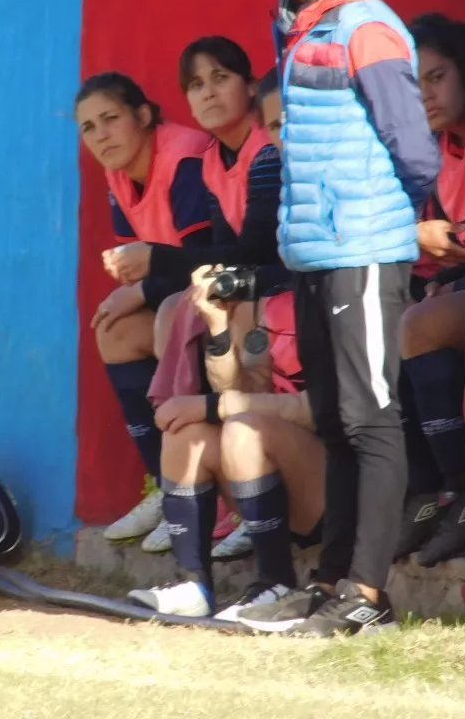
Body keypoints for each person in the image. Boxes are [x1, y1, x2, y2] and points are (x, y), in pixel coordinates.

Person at [243, 0, 440, 636]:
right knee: (332, 420)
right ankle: (332, 581)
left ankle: (368, 595)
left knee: (370, 419)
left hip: (362, 249)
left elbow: (411, 143)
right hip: (316, 250)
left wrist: (411, 219)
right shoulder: (297, 24)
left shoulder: (367, 25)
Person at [140, 41, 287, 561]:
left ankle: (245, 496)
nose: (208, 92)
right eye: (196, 85)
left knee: (217, 305)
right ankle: (194, 485)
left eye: (220, 77)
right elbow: (216, 250)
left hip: (285, 276)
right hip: (251, 274)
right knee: (176, 308)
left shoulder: (266, 149)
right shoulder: (208, 161)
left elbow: (254, 248)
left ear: (250, 87)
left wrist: (156, 260)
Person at [126, 266, 324, 621]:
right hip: (270, 472)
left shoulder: (345, 292)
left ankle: (276, 581)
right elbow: (249, 388)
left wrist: (214, 406)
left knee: (241, 429)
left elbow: (324, 409)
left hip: (332, 481)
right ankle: (193, 583)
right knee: (186, 431)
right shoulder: (266, 293)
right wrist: (219, 330)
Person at [75, 72, 213, 553]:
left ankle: (199, 493)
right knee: (113, 330)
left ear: (145, 115)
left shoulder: (184, 157)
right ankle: (163, 483)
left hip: (225, 292)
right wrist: (139, 291)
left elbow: (208, 256)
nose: (101, 135)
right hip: (179, 295)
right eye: (89, 127)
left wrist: (142, 291)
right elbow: (137, 269)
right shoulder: (118, 172)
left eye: (111, 119)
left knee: (165, 318)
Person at [393, 14, 465, 566]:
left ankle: (463, 492)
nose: (426, 94)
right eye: (415, 83)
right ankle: (427, 495)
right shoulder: (437, 149)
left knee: (417, 327)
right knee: (383, 317)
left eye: (437, 76)